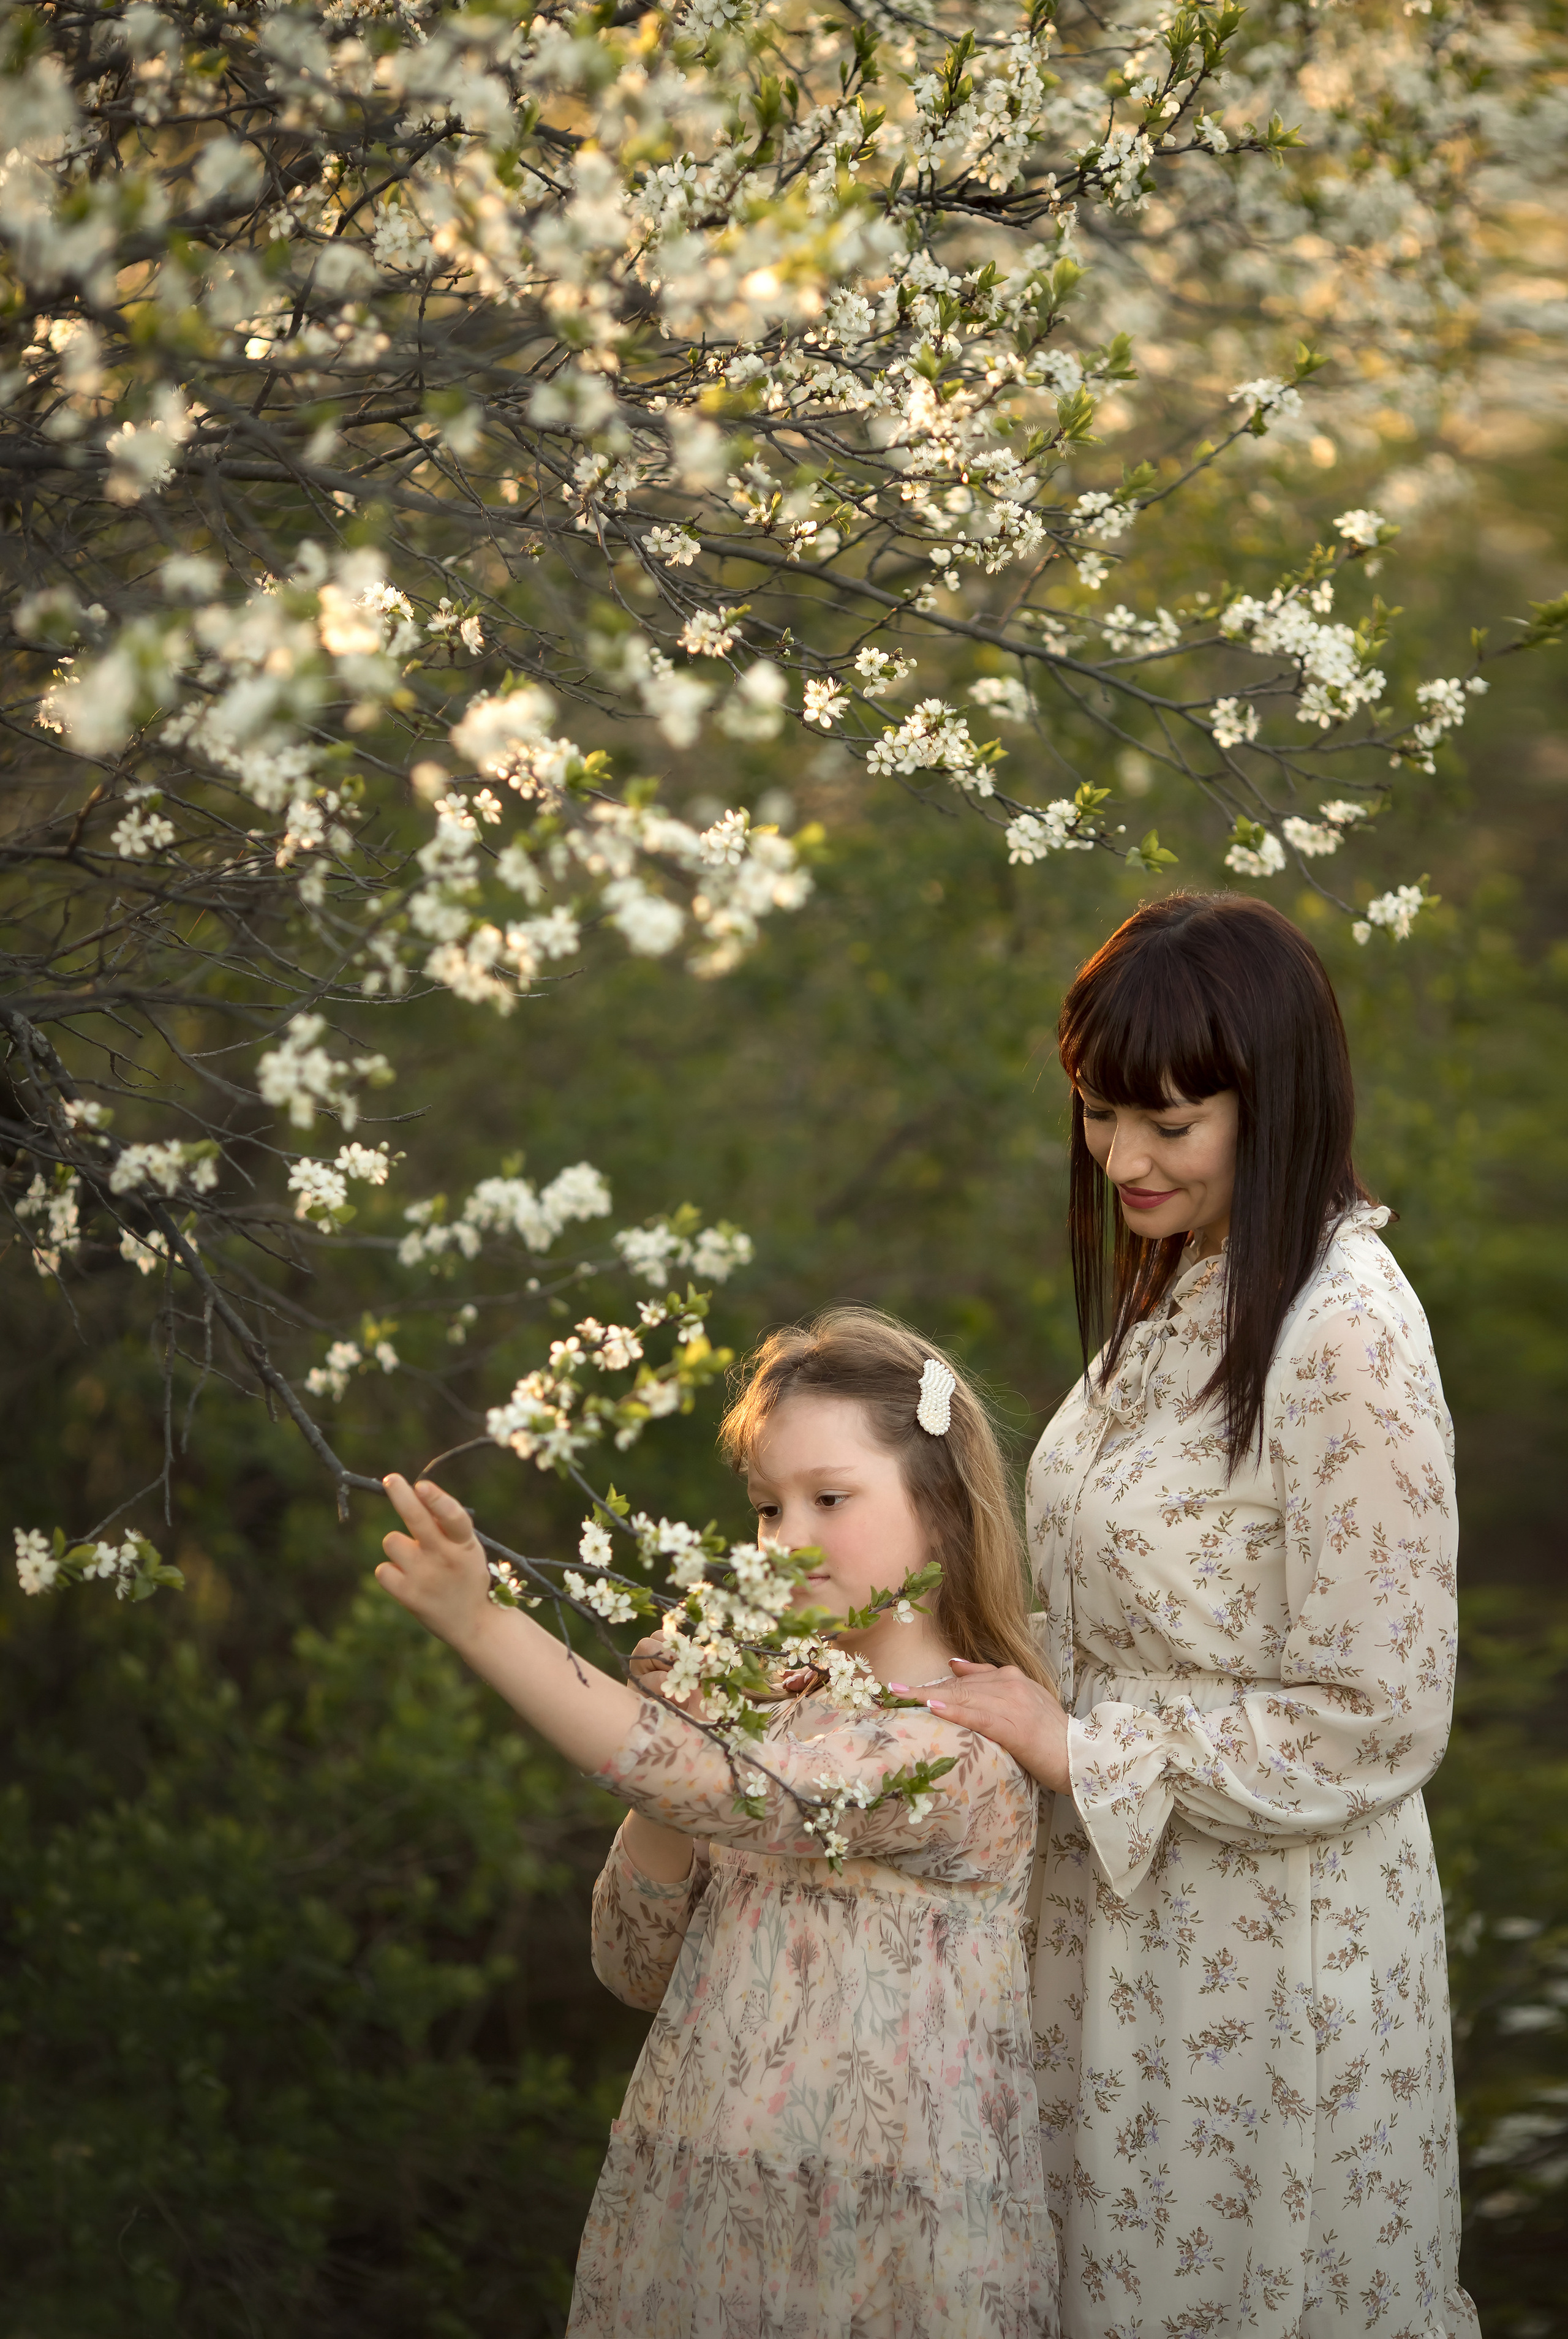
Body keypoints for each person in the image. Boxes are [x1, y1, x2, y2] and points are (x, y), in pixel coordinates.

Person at [892, 894, 1480, 2339]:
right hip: (1120, 1930)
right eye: (1098, 1116)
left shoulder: (1338, 1328)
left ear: (1270, 1097)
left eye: (1170, 1120)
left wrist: (1075, 1748)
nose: (1124, 1159)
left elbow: (1376, 1716)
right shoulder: (1192, 1282)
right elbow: (1127, 1601)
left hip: (1265, 1964)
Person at [375, 1306, 1058, 2338]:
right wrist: (695, 1725)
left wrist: (487, 1623)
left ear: (944, 1507)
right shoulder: (775, 1710)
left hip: (879, 2236)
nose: (787, 1540)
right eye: (766, 1509)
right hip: (699, 2198)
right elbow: (632, 1962)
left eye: (830, 1498)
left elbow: (736, 1796)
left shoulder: (961, 1744)